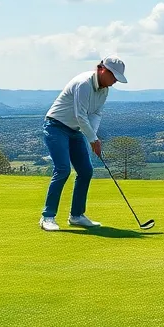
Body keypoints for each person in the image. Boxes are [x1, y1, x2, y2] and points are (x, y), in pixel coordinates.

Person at [38, 58, 127, 232]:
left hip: (75, 131)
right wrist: (93, 139)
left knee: (86, 171)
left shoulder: (104, 90)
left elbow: (96, 114)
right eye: (114, 76)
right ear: (102, 70)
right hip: (56, 126)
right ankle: (47, 217)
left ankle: (76, 216)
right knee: (62, 170)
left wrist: (92, 137)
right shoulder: (84, 83)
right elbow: (80, 115)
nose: (115, 81)